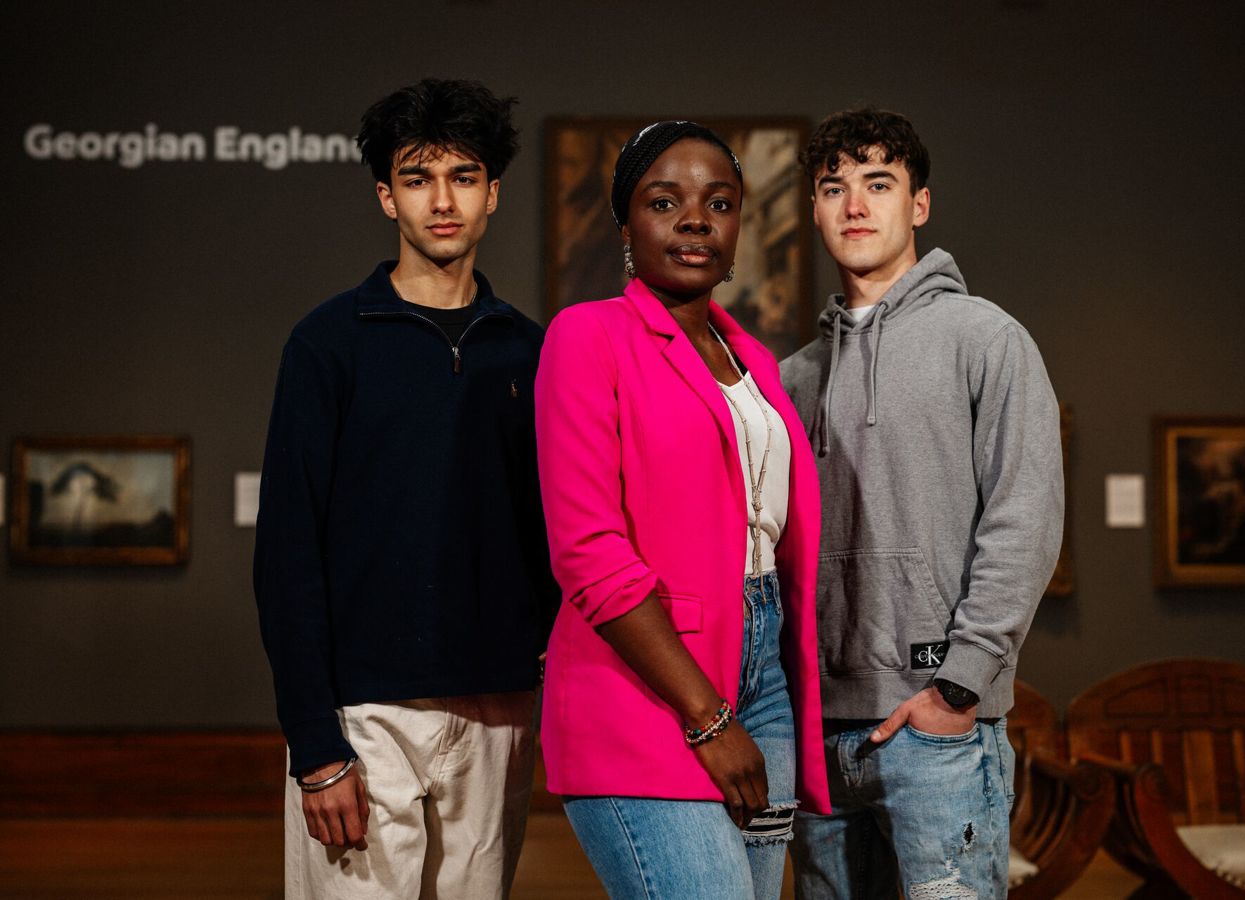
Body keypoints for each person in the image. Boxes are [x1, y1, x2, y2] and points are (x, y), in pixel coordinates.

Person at [253, 78, 557, 900]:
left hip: (497, 709)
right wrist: (316, 747)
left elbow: (551, 532)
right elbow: (287, 552)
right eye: (418, 179)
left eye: (463, 177)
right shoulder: (326, 344)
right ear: (387, 196)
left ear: (493, 192)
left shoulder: (530, 352)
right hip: (363, 717)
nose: (442, 201)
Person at [535, 120, 830, 900]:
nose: (695, 220)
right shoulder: (586, 336)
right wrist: (707, 717)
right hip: (651, 685)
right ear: (625, 226)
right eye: (664, 202)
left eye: (719, 204)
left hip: (765, 679)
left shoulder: (755, 361)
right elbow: (588, 551)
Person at [781, 107, 1064, 898]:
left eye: (879, 184)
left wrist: (959, 687)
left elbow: (1024, 519)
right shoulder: (794, 375)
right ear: (814, 209)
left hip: (937, 732)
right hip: (819, 738)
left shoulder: (986, 339)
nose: (855, 205)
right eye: (833, 188)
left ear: (920, 204)